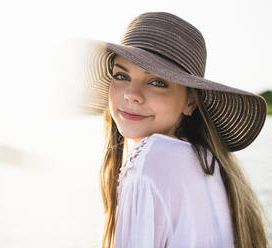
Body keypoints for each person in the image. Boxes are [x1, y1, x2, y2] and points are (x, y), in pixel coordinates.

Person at [75, 12, 269, 248]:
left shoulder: (155, 158)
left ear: (190, 102)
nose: (131, 94)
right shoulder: (204, 160)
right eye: (121, 75)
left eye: (157, 82)